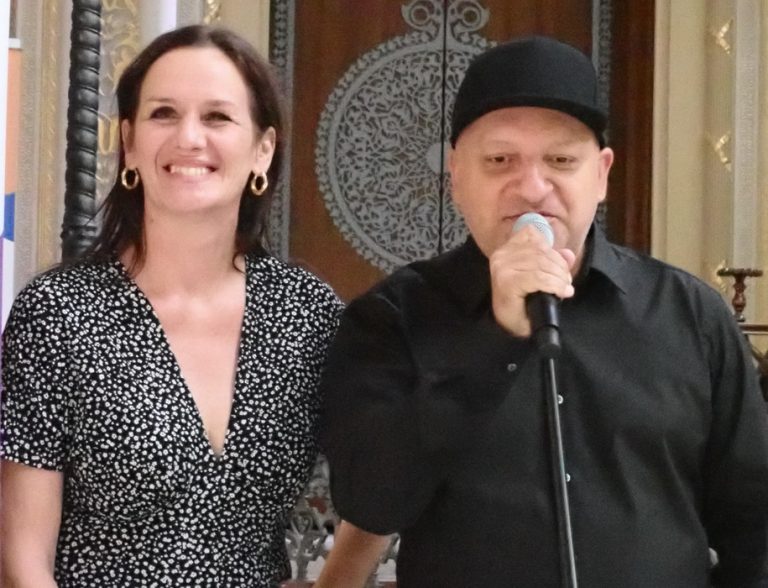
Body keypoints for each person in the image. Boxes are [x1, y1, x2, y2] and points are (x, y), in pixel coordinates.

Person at [316, 36, 768, 587]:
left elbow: (753, 524)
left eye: (561, 160)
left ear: (601, 174)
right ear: (456, 175)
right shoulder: (393, 316)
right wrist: (495, 340)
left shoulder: (689, 314)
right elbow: (370, 497)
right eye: (499, 160)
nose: (532, 188)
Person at [0, 25, 341, 587]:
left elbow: (384, 480)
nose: (188, 137)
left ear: (263, 149)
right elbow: (22, 560)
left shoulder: (308, 314)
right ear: (129, 142)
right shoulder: (59, 312)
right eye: (163, 114)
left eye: (217, 117)